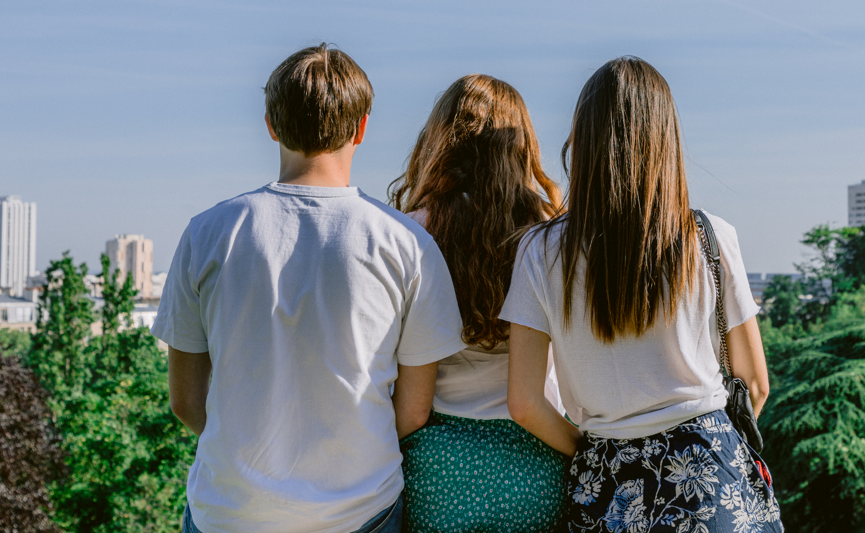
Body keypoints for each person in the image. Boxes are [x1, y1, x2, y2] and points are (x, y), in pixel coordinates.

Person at [152, 44, 467, 533]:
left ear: (271, 125)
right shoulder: (407, 243)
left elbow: (185, 402)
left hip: (229, 511)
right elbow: (414, 409)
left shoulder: (207, 232)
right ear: (362, 127)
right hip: (360, 511)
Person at [501, 57, 783, 533]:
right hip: (711, 479)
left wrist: (598, 450)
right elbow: (755, 383)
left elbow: (525, 402)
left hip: (607, 485)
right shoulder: (710, 237)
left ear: (582, 139)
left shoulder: (541, 250)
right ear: (666, 139)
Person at [388, 74, 569, 533]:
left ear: (440, 139)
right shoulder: (550, 231)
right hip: (538, 456)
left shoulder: (410, 231)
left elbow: (411, 406)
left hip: (439, 465)